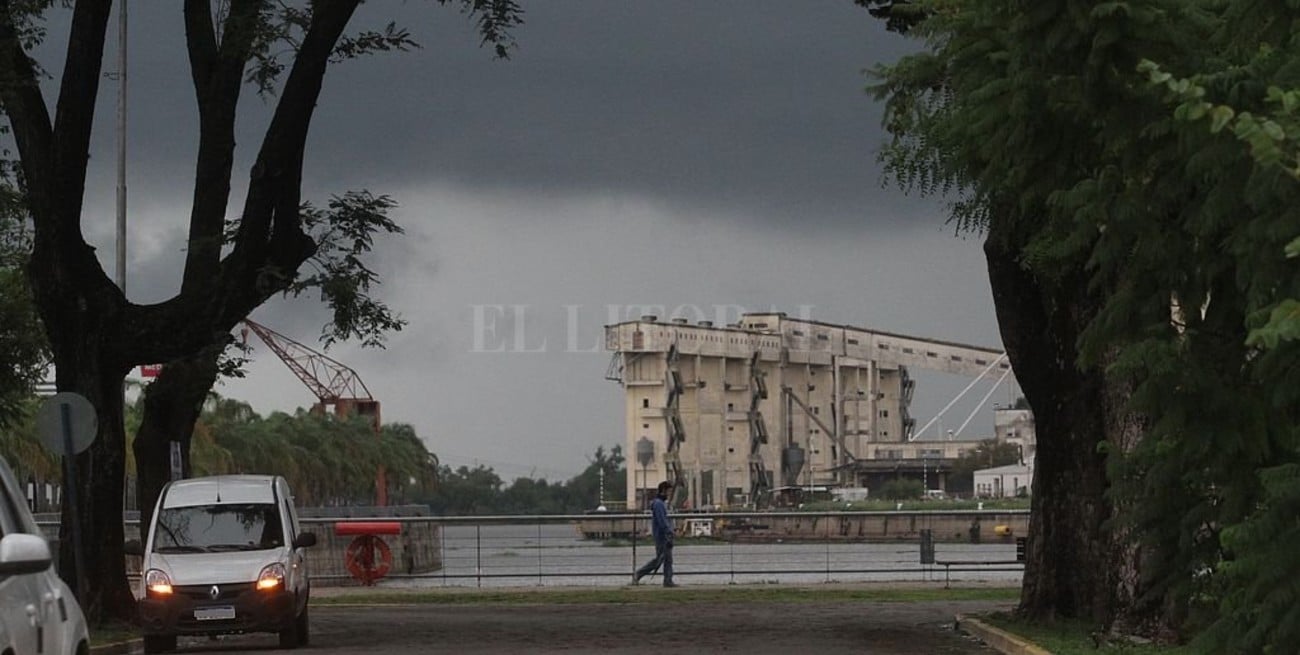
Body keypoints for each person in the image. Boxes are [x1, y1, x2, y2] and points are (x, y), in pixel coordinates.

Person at [632, 480, 678, 587]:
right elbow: (662, 521)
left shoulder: (660, 503)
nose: (670, 494)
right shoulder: (659, 504)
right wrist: (669, 531)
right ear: (664, 490)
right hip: (662, 536)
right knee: (660, 559)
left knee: (667, 559)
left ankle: (668, 580)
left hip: (663, 534)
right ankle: (639, 574)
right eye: (669, 491)